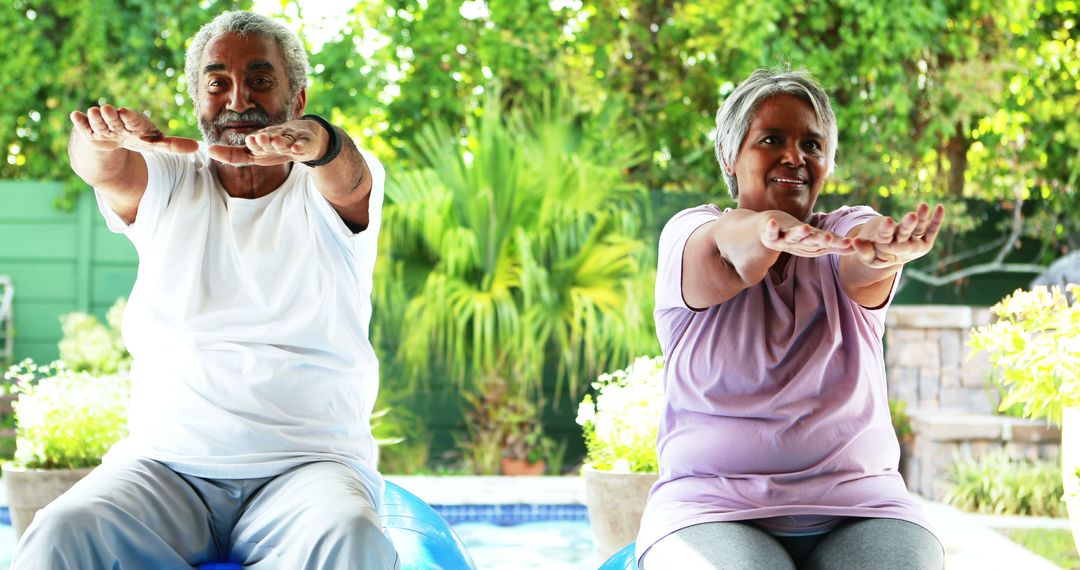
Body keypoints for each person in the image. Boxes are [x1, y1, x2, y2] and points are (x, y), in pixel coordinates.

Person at [13, 11, 399, 569]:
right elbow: (103, 167)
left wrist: (316, 141)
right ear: (199, 98)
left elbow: (347, 173)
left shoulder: (326, 189)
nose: (238, 97)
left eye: (262, 80)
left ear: (297, 96)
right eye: (217, 82)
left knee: (351, 535)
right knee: (60, 532)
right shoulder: (170, 178)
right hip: (164, 468)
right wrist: (101, 137)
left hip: (307, 468)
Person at [636, 68, 946, 570]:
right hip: (711, 510)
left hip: (861, 509)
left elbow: (862, 254)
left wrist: (885, 248)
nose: (794, 157)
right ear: (731, 158)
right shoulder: (691, 234)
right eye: (771, 139)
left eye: (812, 144)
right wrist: (767, 231)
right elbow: (734, 250)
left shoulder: (839, 233)